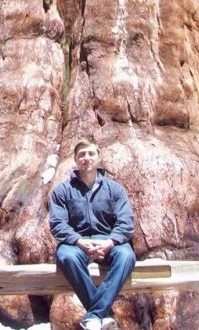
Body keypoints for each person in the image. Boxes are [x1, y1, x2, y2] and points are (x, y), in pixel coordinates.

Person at [48, 139, 137, 330]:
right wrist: (79, 242)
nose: (86, 158)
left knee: (127, 255)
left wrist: (110, 242)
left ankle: (94, 316)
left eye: (90, 154)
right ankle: (103, 315)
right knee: (66, 256)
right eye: (81, 154)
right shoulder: (62, 191)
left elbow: (126, 223)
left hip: (108, 241)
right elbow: (57, 224)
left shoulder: (115, 190)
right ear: (75, 159)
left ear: (99, 158)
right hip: (77, 244)